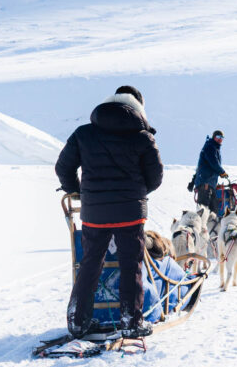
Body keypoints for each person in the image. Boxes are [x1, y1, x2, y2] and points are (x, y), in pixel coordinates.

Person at [55, 85, 162, 338]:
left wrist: (78, 192)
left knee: (90, 264)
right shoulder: (143, 137)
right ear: (138, 107)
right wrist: (136, 192)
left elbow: (63, 167)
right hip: (130, 213)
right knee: (131, 266)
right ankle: (131, 322)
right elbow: (156, 177)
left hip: (94, 214)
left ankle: (78, 322)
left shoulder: (84, 134)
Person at [189, 129, 228, 215]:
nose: (220, 139)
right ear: (214, 137)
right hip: (205, 183)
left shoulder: (214, 148)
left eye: (222, 138)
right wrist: (222, 172)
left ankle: (210, 228)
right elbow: (214, 162)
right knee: (203, 210)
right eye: (218, 137)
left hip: (210, 184)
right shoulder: (210, 147)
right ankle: (199, 227)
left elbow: (201, 167)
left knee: (213, 211)